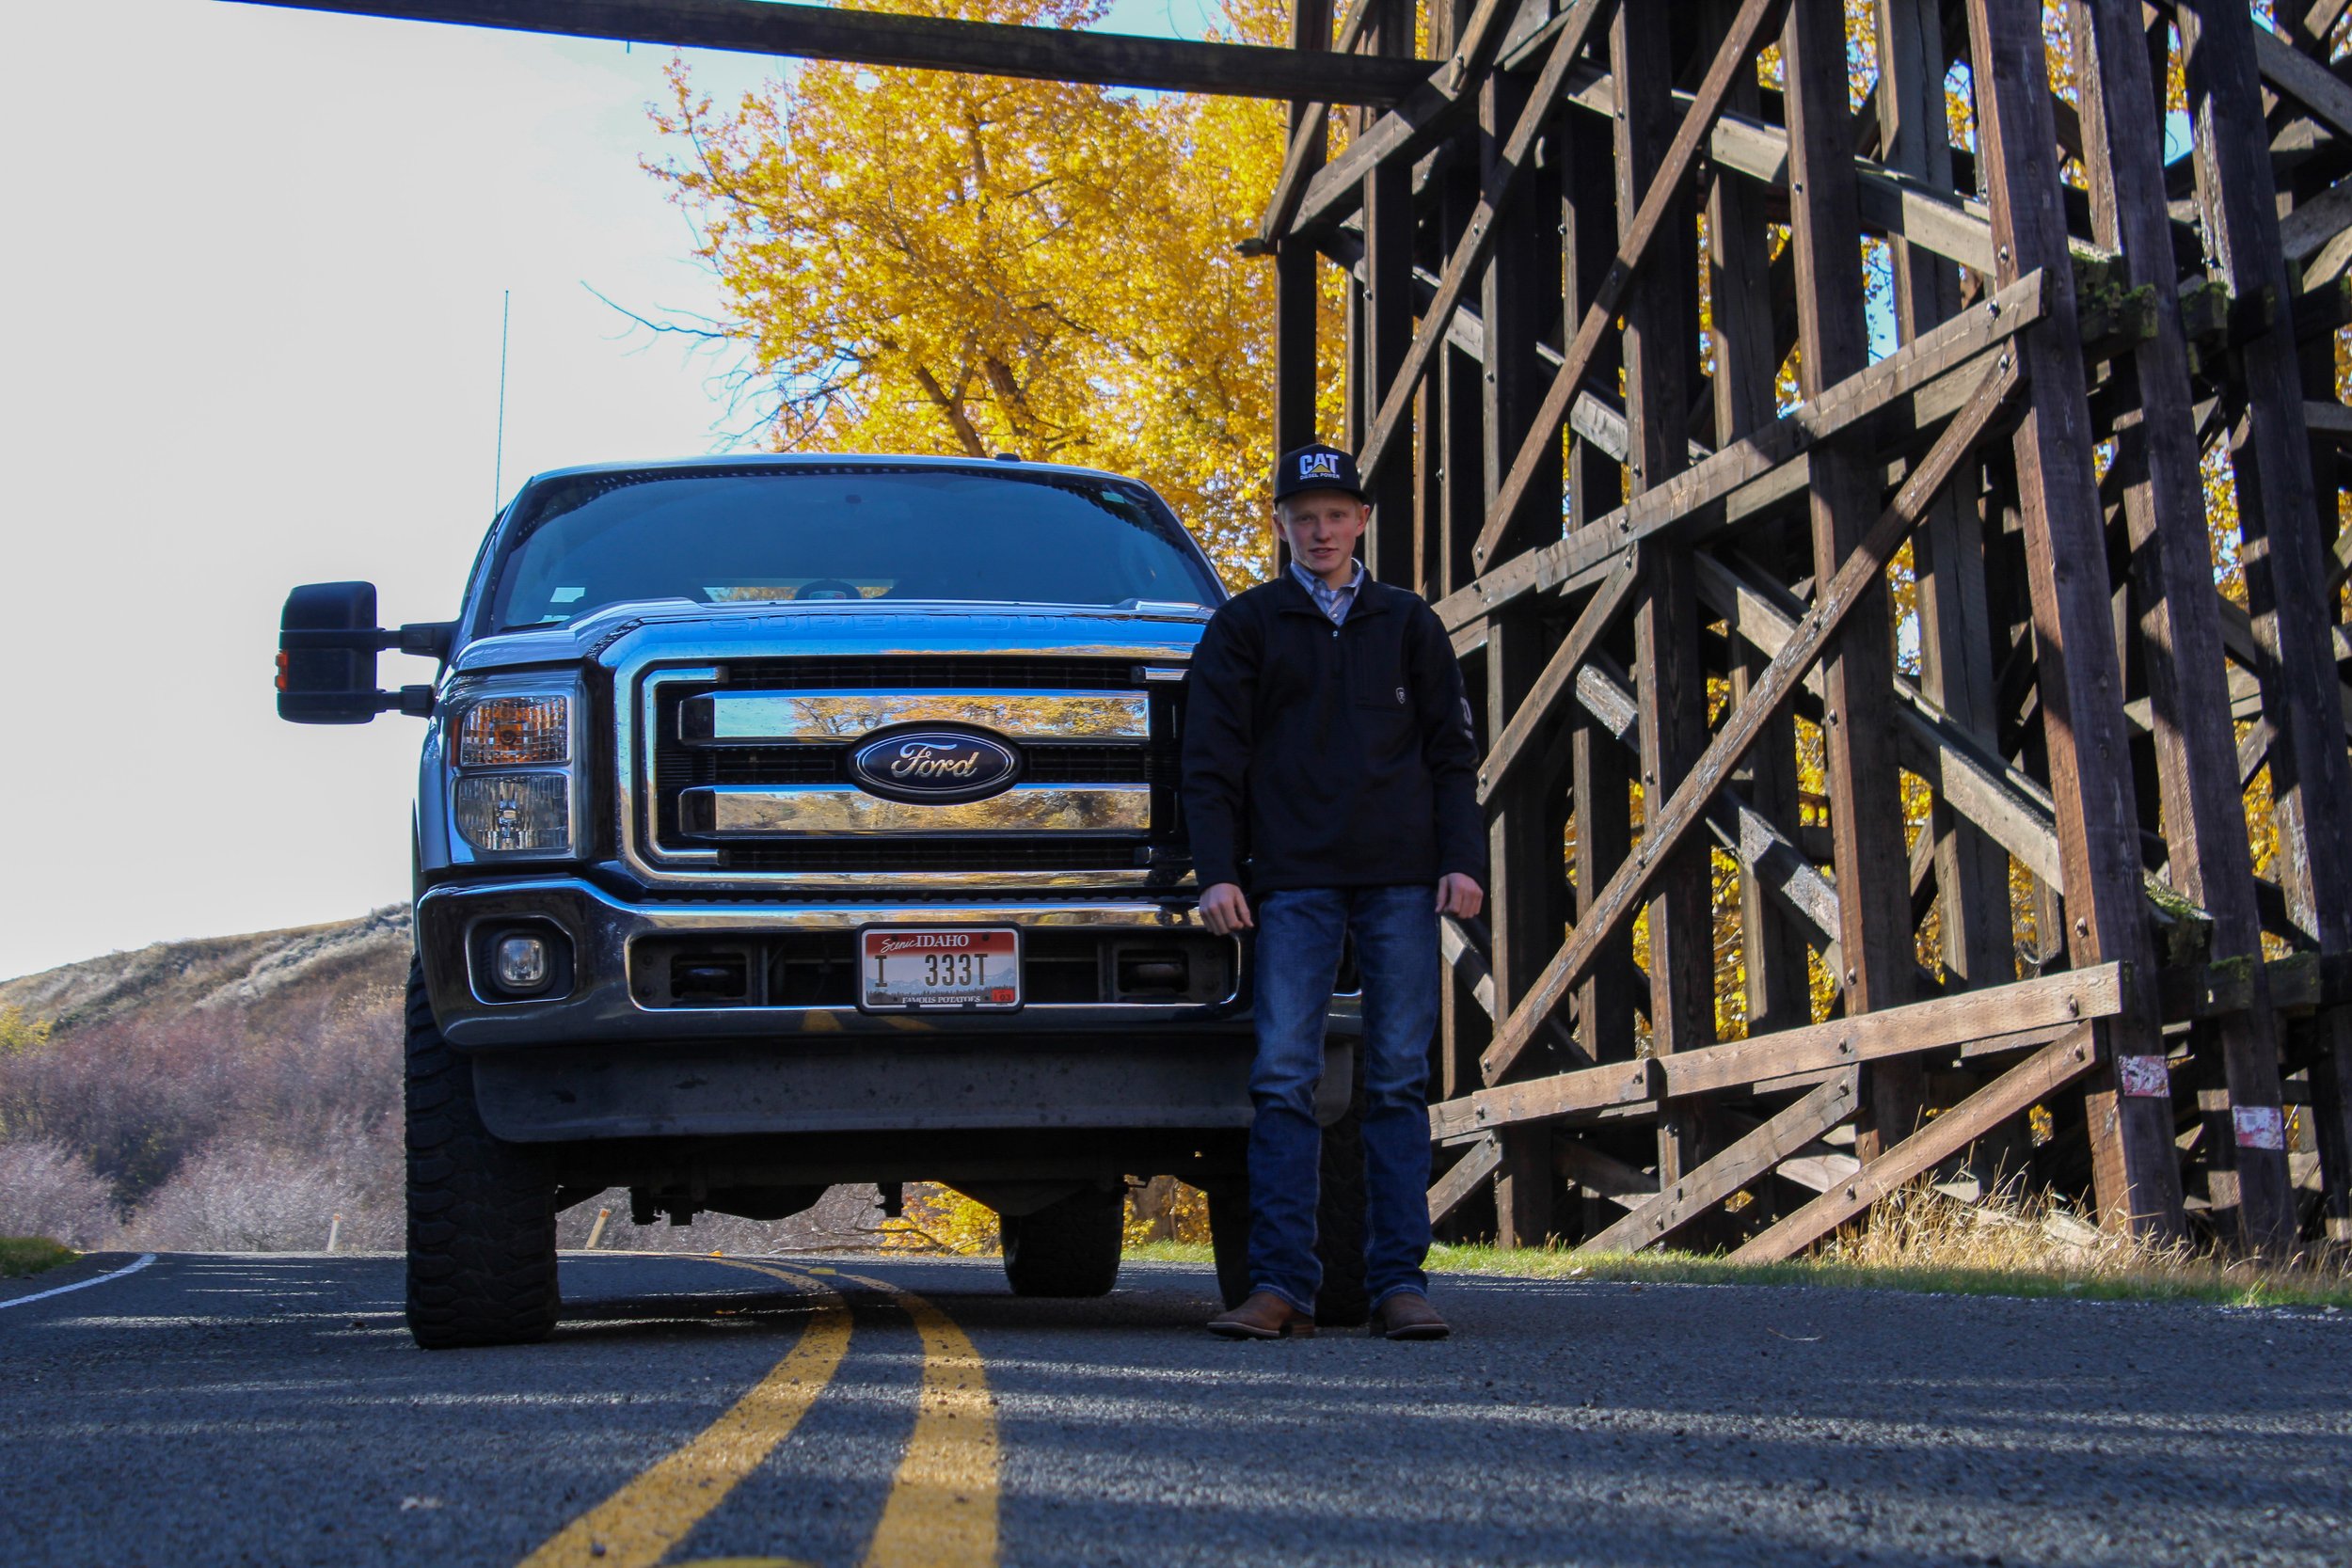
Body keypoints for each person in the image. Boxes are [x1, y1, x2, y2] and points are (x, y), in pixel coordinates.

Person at [1182, 441, 1487, 1341]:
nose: (1320, 530)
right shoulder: (1246, 626)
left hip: (1401, 881)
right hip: (1293, 883)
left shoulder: (1408, 622)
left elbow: (1452, 755)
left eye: (1336, 514)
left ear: (1361, 521)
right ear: (1281, 525)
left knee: (1397, 1080)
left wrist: (1460, 860)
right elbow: (1211, 763)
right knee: (1283, 1079)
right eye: (1303, 516)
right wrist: (1221, 872)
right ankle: (1281, 1289)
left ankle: (1400, 1284)